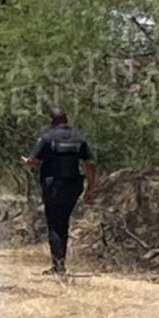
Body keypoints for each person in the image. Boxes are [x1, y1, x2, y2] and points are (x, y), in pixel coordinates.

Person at [22, 106, 97, 276]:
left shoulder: (47, 138)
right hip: (74, 186)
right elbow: (91, 164)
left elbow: (34, 161)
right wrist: (90, 188)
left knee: (55, 225)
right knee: (64, 222)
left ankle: (58, 266)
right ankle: (60, 262)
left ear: (51, 121)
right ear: (66, 119)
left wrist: (28, 162)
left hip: (54, 186)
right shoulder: (79, 138)